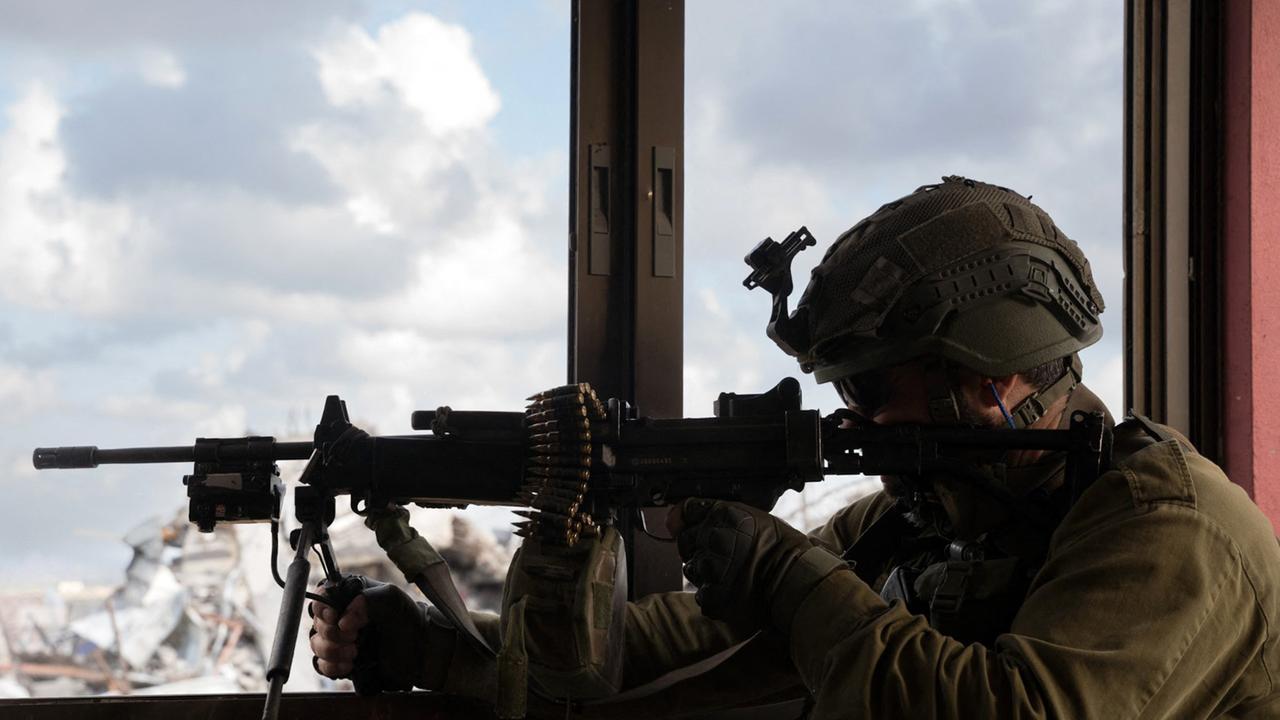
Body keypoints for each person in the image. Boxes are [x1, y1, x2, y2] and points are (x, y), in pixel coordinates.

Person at [311, 177, 1280, 718]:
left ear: (991, 380)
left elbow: (1009, 712)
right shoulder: (933, 521)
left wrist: (782, 576)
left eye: (869, 387)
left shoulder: (1171, 531)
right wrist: (432, 651)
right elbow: (676, 648)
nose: (852, 418)